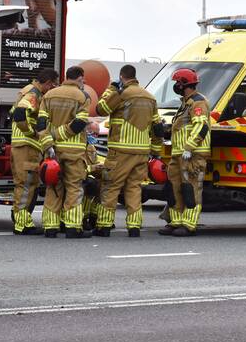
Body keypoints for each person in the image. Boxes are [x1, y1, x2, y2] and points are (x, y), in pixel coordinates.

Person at [93, 64, 164, 237]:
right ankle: (134, 227)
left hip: (120, 150)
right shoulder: (150, 97)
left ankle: (104, 225)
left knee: (111, 186)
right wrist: (155, 150)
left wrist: (111, 89)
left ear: (121, 77)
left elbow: (101, 108)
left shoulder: (121, 94)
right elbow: (157, 127)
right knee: (134, 188)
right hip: (141, 152)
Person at [37, 66, 92, 239]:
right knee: (74, 188)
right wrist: (60, 134)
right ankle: (73, 227)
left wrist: (48, 144)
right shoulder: (83, 97)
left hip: (53, 151)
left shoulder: (48, 95)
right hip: (74, 151)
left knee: (53, 188)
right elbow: (80, 123)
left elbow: (40, 123)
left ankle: (50, 228)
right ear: (79, 78)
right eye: (83, 80)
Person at [160, 68, 211, 237]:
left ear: (184, 84)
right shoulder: (186, 103)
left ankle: (189, 224)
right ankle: (176, 222)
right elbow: (182, 127)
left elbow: (200, 126)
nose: (175, 86)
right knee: (174, 187)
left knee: (190, 188)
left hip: (192, 154)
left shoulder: (198, 102)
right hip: (178, 154)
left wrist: (189, 147)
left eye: (177, 83)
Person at [9, 69, 57, 235]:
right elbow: (19, 113)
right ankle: (22, 225)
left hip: (21, 145)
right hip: (27, 145)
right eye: (53, 84)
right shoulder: (34, 93)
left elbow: (12, 112)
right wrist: (32, 133)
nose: (53, 88)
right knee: (27, 184)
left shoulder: (27, 90)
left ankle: (21, 220)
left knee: (25, 184)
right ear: (49, 82)